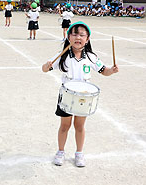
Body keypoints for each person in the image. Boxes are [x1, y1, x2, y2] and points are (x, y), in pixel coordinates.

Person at [42, 21, 119, 167]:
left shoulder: (91, 57)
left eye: (82, 35)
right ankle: (60, 151)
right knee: (64, 126)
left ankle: (79, 153)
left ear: (87, 39)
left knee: (79, 126)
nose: (78, 37)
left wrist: (112, 70)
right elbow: (45, 69)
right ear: (68, 37)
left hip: (84, 95)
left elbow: (104, 71)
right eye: (75, 34)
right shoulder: (62, 56)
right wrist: (46, 66)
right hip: (66, 94)